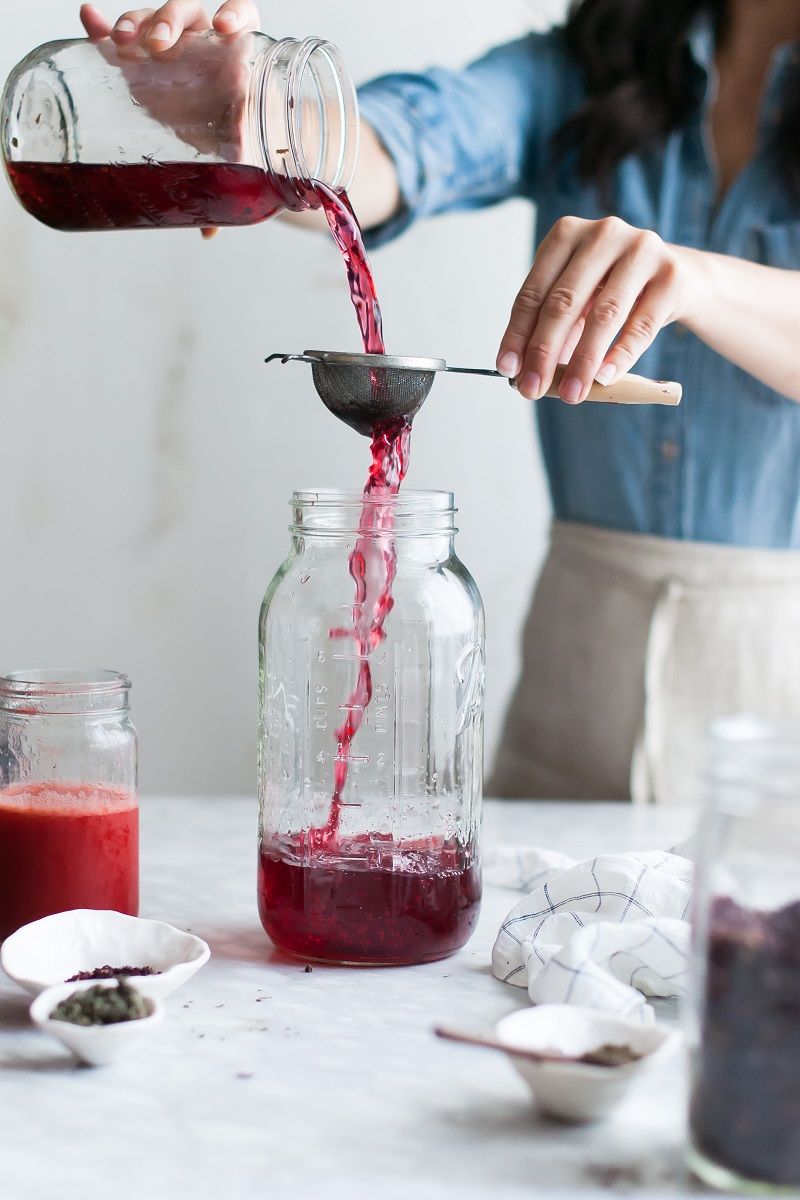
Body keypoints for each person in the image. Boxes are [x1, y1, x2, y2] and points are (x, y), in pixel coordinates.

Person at [81, 0, 800, 804]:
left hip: (778, 707)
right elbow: (401, 144)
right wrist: (263, 119)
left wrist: (702, 280)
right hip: (575, 680)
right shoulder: (592, 71)